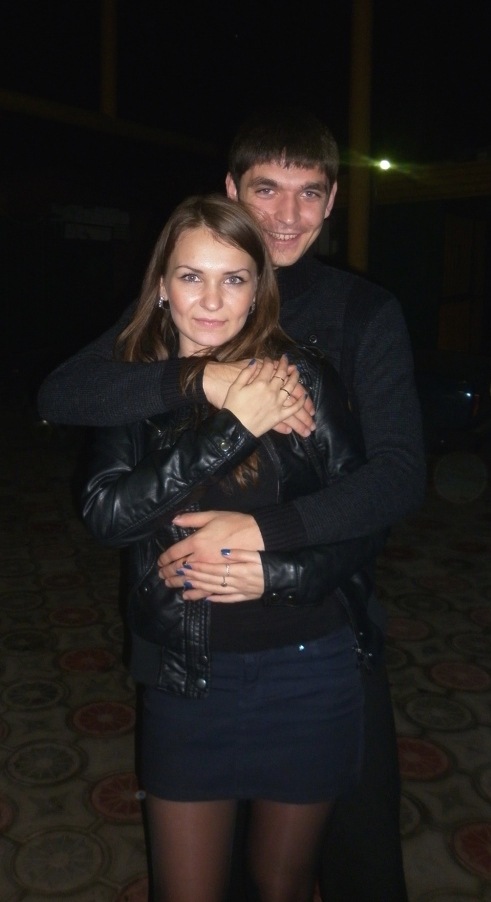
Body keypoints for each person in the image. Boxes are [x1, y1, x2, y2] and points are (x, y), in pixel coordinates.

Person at [37, 106, 426, 901]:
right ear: (230, 191)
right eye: (266, 188)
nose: (286, 214)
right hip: (187, 650)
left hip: (322, 620)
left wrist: (266, 543)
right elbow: (66, 395)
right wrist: (206, 381)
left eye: (309, 192)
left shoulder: (358, 315)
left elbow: (392, 480)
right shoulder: (182, 306)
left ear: (332, 199)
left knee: (351, 857)